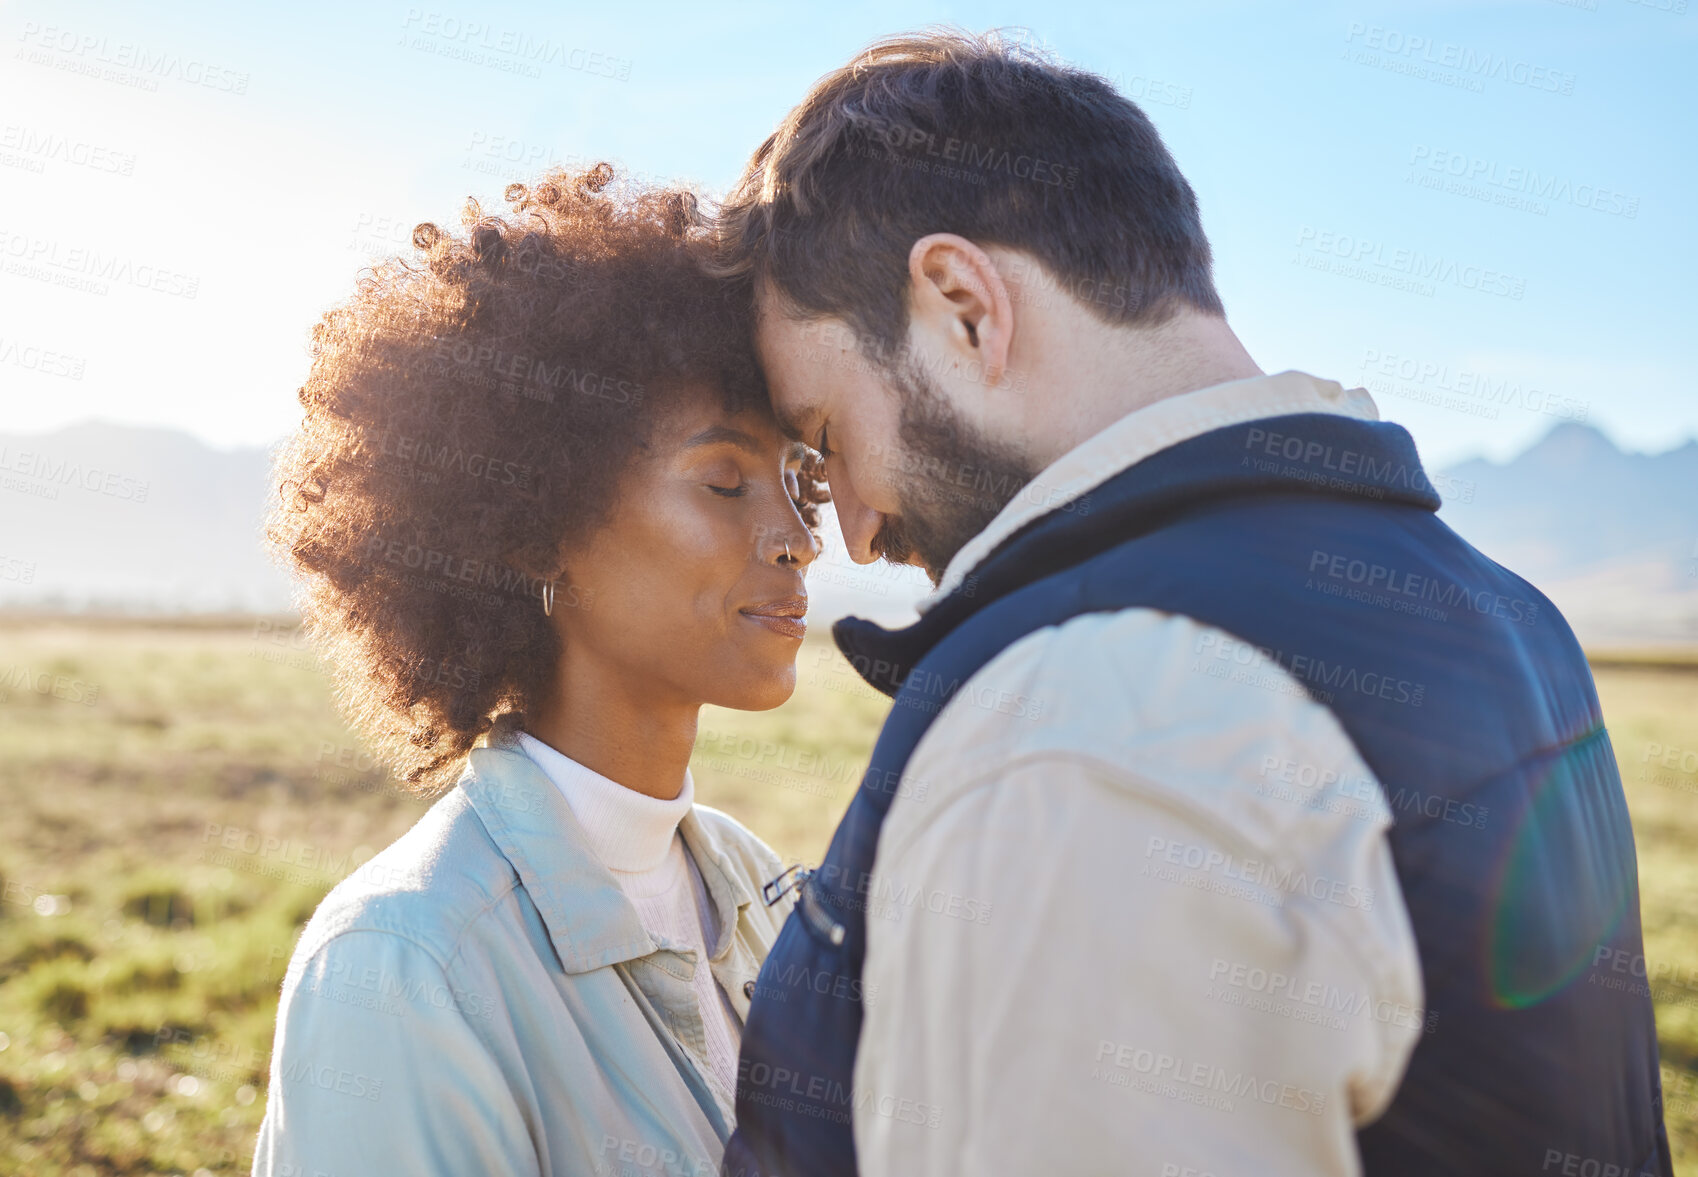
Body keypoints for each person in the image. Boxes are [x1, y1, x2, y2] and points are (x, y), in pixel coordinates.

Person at [714, 30, 1672, 1177]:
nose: (855, 530)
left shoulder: (1089, 718)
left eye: (827, 440)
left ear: (965, 305)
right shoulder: (1511, 616)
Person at [251, 165, 825, 1177]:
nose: (794, 537)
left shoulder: (750, 883)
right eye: (726, 480)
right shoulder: (405, 964)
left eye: (795, 479)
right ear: (535, 531)